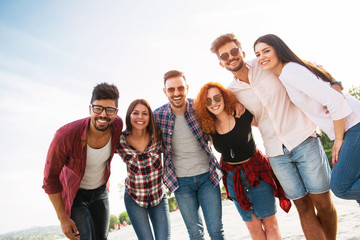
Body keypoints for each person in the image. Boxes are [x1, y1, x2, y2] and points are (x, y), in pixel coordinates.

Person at [210, 33, 337, 240]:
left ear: (241, 52)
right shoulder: (231, 93)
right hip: (276, 153)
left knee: (323, 202)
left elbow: (307, 68)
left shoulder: (265, 64)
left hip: (303, 137)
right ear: (221, 63)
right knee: (302, 207)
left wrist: (334, 83)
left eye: (234, 51)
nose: (231, 57)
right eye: (225, 56)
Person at [254, 34, 360, 205]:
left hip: (354, 125)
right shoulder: (288, 72)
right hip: (351, 126)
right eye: (257, 54)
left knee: (341, 187)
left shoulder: (290, 72)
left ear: (278, 50)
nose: (261, 57)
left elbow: (335, 100)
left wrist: (338, 140)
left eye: (266, 51)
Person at [194, 82, 291, 239]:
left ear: (224, 97)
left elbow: (267, 120)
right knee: (254, 229)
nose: (214, 103)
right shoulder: (208, 127)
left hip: (257, 172)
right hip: (233, 178)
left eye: (217, 97)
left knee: (270, 224)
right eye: (208, 100)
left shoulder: (243, 114)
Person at [42, 83, 123, 240]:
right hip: (75, 196)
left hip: (100, 192)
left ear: (116, 112)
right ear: (90, 109)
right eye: (98, 108)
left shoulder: (117, 125)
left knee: (102, 238)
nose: (103, 115)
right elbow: (50, 179)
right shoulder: (65, 135)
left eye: (110, 110)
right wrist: (62, 218)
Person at [154, 70, 225, 240]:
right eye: (171, 90)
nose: (176, 93)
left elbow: (223, 113)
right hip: (180, 182)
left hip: (208, 177)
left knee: (216, 231)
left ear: (186, 88)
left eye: (180, 88)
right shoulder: (157, 116)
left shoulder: (199, 107)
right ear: (165, 92)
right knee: (195, 234)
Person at [117, 99, 171, 240]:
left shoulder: (157, 135)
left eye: (144, 113)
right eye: (136, 113)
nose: (140, 117)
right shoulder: (120, 140)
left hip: (158, 196)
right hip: (134, 198)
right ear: (129, 116)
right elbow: (102, 151)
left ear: (150, 117)